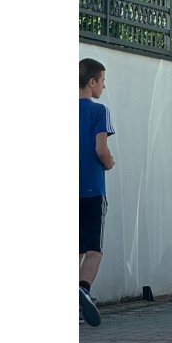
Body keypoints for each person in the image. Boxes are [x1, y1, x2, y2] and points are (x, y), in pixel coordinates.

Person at [79, 58, 115, 326]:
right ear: (92, 82)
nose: (104, 85)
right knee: (93, 249)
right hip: (91, 188)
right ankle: (83, 289)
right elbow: (101, 149)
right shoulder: (98, 111)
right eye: (102, 80)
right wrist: (109, 162)